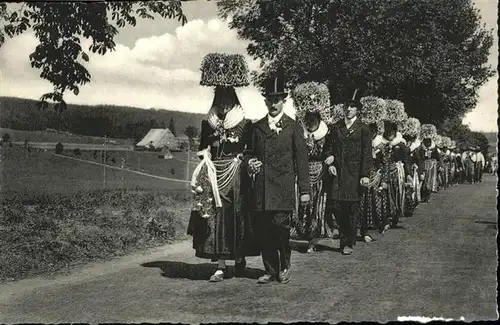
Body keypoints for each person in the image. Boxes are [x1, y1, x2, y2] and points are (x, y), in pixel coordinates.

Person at [187, 53, 259, 282]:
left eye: (227, 99)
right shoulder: (208, 124)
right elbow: (202, 148)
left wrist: (242, 160)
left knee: (236, 216)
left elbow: (250, 151)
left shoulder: (245, 124)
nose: (223, 104)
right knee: (214, 217)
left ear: (234, 101)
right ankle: (219, 264)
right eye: (220, 100)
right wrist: (205, 157)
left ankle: (238, 257)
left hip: (235, 177)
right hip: (214, 174)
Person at [246, 73, 310, 284]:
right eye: (270, 100)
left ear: (284, 101)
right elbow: (249, 153)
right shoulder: (257, 128)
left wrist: (304, 191)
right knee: (263, 230)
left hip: (282, 188)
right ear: (265, 101)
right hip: (262, 190)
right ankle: (270, 269)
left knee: (280, 229)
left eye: (277, 100)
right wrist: (250, 163)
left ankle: (285, 265)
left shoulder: (293, 127)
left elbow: (301, 161)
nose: (273, 104)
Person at [323, 90, 373, 255]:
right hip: (337, 173)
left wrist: (365, 174)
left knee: (352, 208)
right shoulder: (336, 126)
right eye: (347, 106)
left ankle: (348, 242)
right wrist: (329, 158)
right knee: (336, 206)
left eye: (352, 106)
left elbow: (367, 154)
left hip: (354, 174)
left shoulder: (363, 129)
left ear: (357, 109)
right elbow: (327, 147)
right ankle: (346, 238)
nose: (349, 109)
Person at [291, 82, 335, 252]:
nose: (310, 122)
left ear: (319, 120)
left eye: (313, 119)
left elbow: (331, 151)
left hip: (320, 175)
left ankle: (313, 240)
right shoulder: (299, 133)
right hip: (302, 174)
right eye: (308, 120)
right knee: (303, 206)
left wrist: (331, 158)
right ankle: (301, 234)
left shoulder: (326, 134)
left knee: (317, 207)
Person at [357, 97, 387, 242]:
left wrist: (383, 180)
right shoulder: (361, 143)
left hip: (375, 177)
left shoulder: (381, 145)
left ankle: (371, 230)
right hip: (362, 176)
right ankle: (362, 230)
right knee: (361, 205)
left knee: (375, 205)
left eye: (372, 129)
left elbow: (385, 163)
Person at [417, 124, 440, 202]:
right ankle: (422, 195)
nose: (427, 142)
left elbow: (438, 157)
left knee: (429, 181)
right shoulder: (420, 147)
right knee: (423, 180)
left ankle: (428, 196)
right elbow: (419, 157)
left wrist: (438, 164)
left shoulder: (434, 147)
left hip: (432, 166)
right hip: (423, 165)